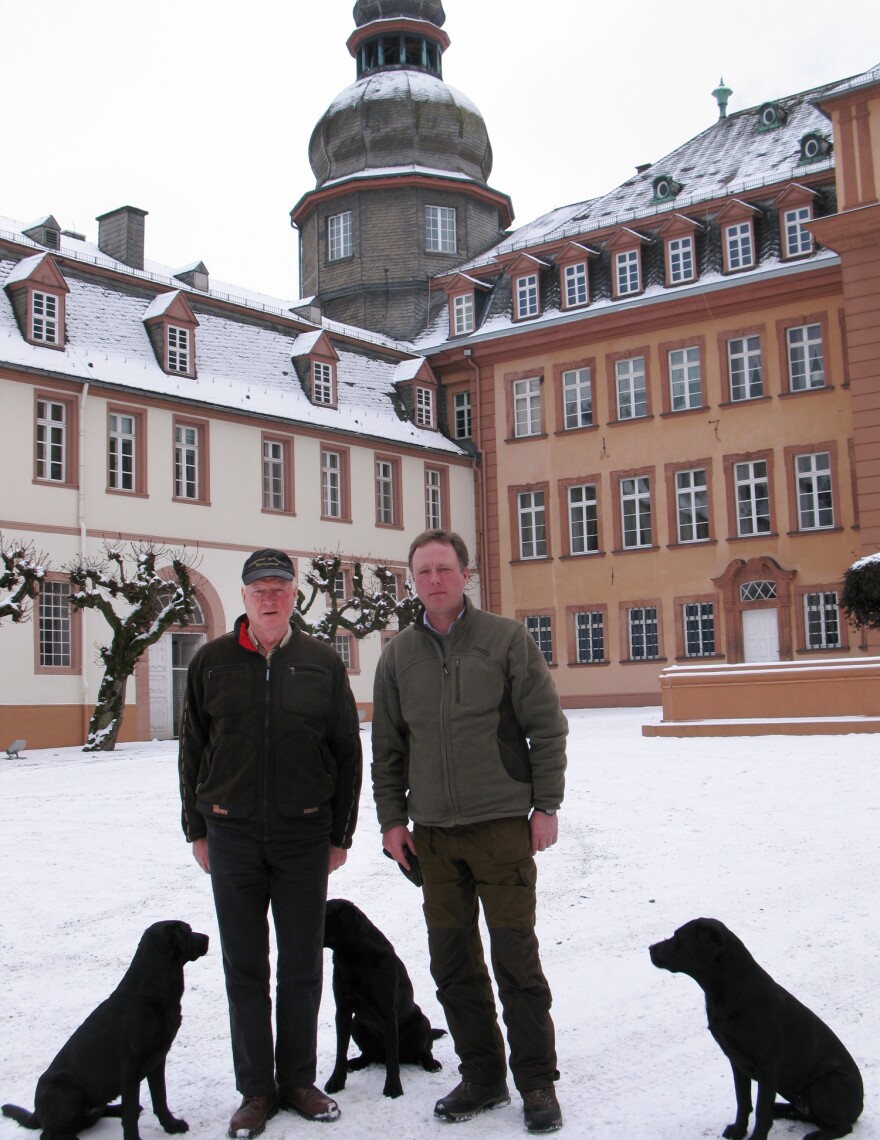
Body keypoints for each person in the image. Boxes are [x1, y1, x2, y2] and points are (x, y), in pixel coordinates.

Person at [371, 529, 568, 1134]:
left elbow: (546, 725)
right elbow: (387, 748)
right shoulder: (397, 656)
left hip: (502, 827)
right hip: (433, 836)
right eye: (423, 571)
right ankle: (483, 1075)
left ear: (465, 574)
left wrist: (545, 804)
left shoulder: (505, 640)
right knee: (452, 964)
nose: (434, 579)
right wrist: (392, 820)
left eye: (444, 568)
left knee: (516, 962)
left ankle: (535, 1081)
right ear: (413, 580)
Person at [179, 548, 362, 1138]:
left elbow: (345, 752)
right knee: (244, 968)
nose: (270, 597)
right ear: (244, 597)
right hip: (230, 834)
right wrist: (196, 828)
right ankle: (256, 1089)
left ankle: (299, 1081)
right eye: (259, 588)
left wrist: (340, 834)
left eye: (280, 587)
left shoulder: (321, 663)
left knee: (303, 963)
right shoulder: (210, 663)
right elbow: (192, 753)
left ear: (294, 594)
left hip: (304, 835)